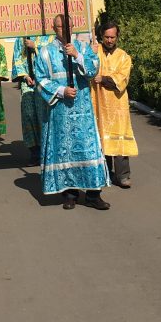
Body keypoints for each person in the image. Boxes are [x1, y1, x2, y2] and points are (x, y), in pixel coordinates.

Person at [35, 14, 110, 210]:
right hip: (60, 112)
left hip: (83, 110)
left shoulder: (83, 47)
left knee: (88, 150)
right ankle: (69, 194)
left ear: (73, 26)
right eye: (60, 27)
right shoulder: (45, 52)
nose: (65, 30)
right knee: (65, 151)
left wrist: (77, 55)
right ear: (54, 29)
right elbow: (40, 80)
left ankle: (93, 194)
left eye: (68, 26)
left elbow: (93, 71)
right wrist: (61, 91)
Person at [91, 20, 138, 188]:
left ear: (117, 37)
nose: (109, 40)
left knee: (119, 139)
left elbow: (122, 79)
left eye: (112, 37)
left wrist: (103, 79)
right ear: (101, 36)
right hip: (97, 102)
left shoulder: (124, 57)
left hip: (117, 105)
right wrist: (89, 54)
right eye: (106, 37)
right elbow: (85, 68)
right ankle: (105, 174)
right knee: (100, 139)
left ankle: (122, 176)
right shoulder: (95, 52)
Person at [11, 35, 41, 164]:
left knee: (43, 116)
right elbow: (17, 58)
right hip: (27, 82)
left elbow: (52, 53)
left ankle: (46, 150)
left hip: (45, 82)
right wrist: (25, 75)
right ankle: (34, 151)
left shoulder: (47, 36)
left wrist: (36, 47)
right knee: (29, 115)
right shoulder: (20, 39)